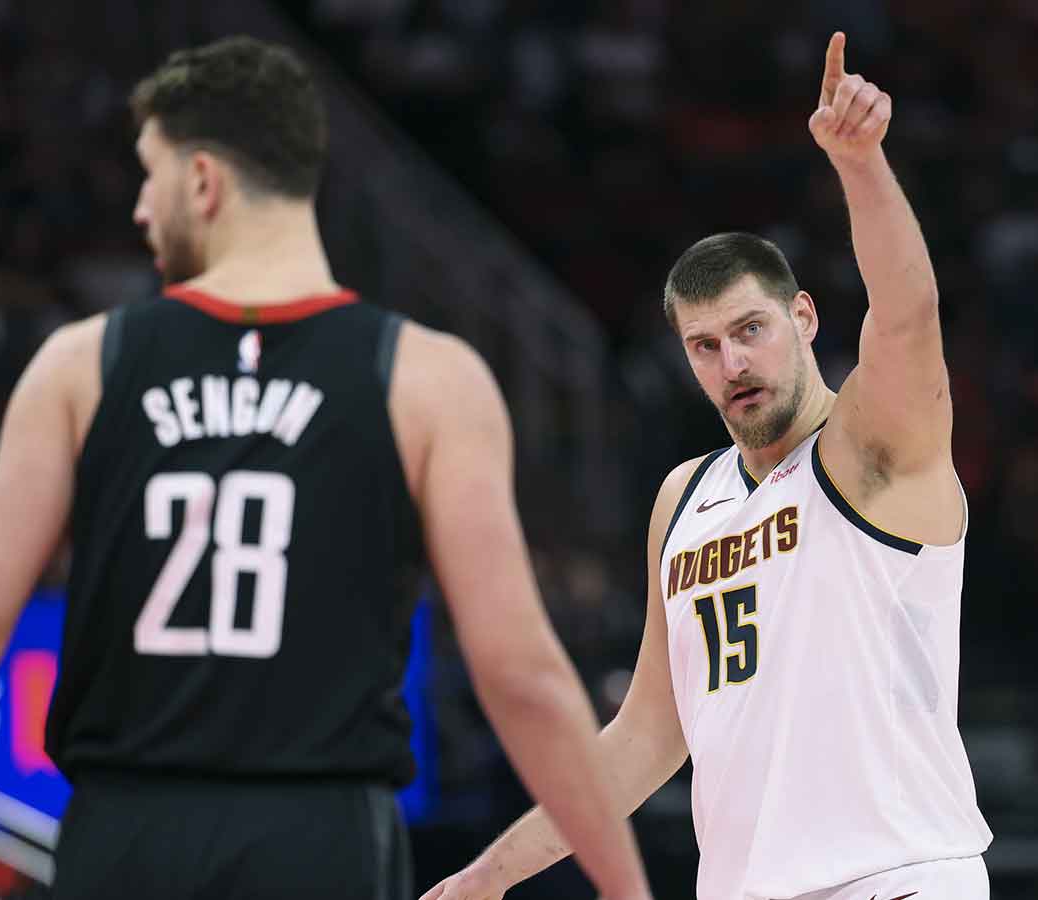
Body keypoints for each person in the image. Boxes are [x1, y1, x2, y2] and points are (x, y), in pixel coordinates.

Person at [0, 35, 651, 900]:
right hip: (320, 837)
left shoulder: (82, 365)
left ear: (202, 180)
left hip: (127, 835)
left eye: (149, 173)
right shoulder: (431, 378)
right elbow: (521, 673)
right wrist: (624, 888)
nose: (137, 207)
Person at [424, 32, 992, 900]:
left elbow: (908, 313)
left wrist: (861, 164)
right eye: (705, 345)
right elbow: (646, 736)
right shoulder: (684, 499)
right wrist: (489, 876)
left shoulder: (871, 449)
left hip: (898, 879)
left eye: (750, 330)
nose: (732, 363)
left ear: (803, 317)